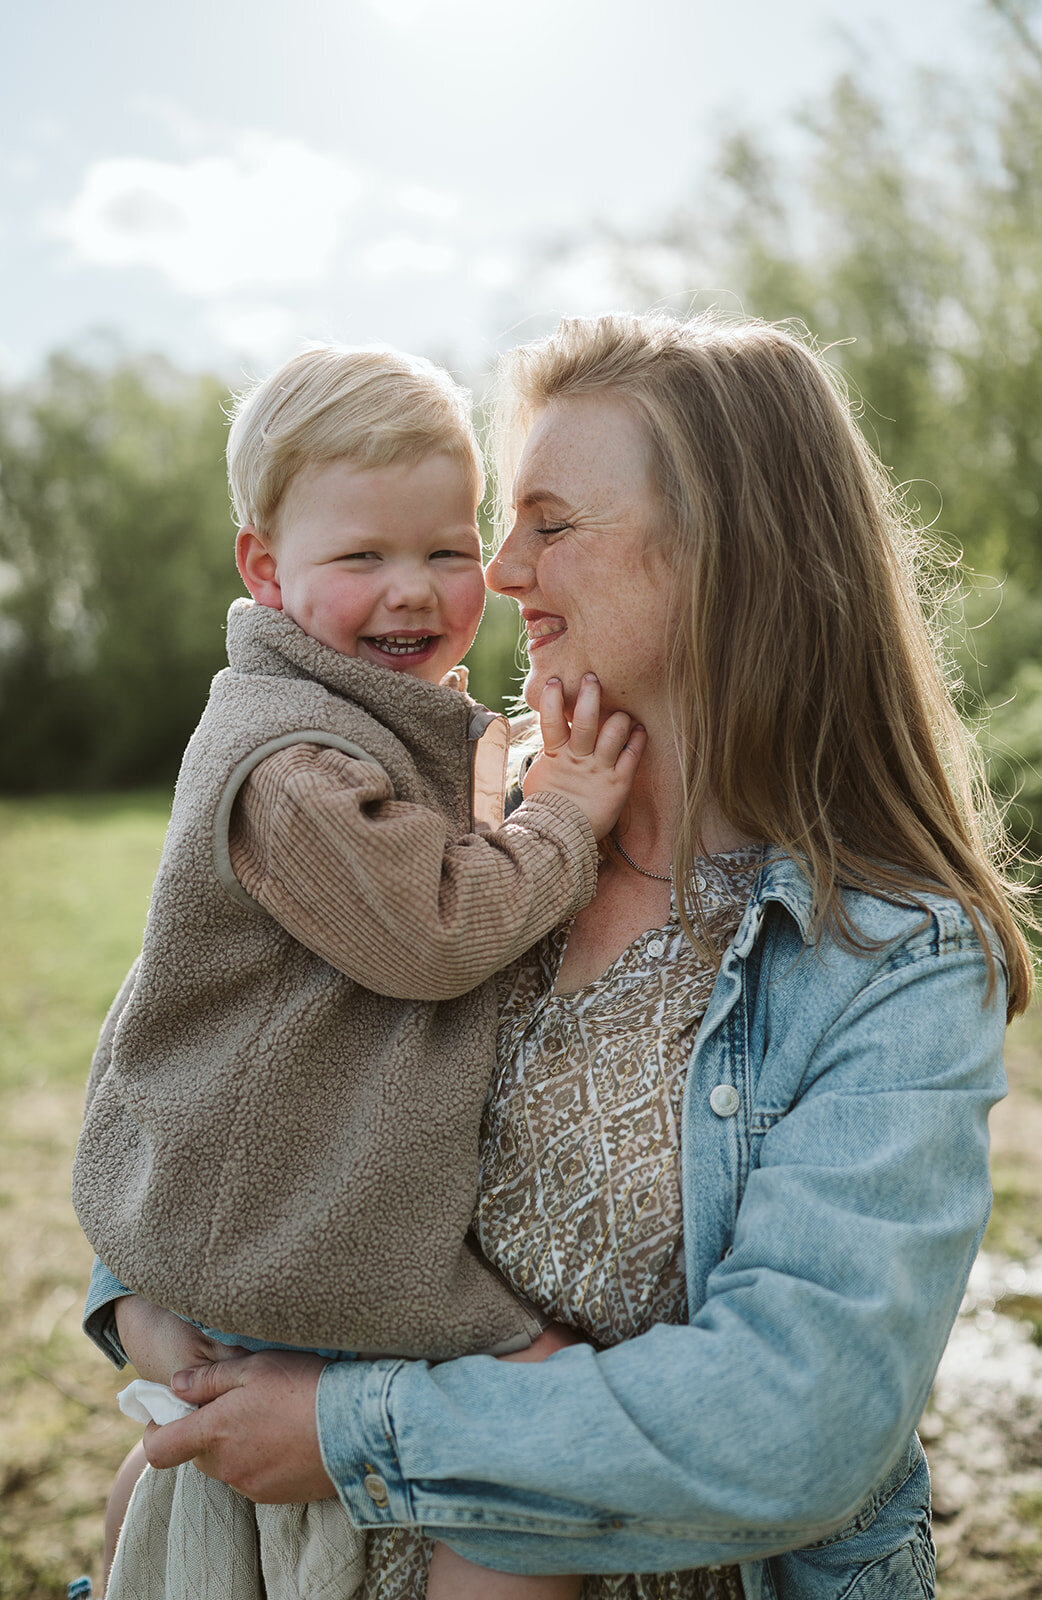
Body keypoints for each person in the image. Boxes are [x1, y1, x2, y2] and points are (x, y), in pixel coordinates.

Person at [86, 311, 1034, 1600]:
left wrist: (341, 1429)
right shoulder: (456, 817)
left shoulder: (886, 962)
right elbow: (220, 1065)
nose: (500, 568)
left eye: (549, 523)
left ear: (726, 555)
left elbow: (796, 1419)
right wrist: (147, 1312)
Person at [73, 342, 647, 1600]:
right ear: (264, 566)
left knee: (187, 1499)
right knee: (535, 1416)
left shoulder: (361, 723)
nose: (415, 592)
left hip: (276, 1201)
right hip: (286, 1223)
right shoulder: (290, 763)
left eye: (447, 551)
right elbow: (435, 930)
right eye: (361, 558)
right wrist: (567, 815)